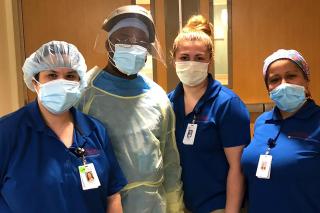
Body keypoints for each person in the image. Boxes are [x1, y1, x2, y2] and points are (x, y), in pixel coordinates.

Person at [78, 5, 184, 213]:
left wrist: (174, 206)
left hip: (153, 205)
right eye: (124, 38)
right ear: (109, 44)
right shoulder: (85, 93)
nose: (133, 45)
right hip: (102, 203)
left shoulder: (157, 97)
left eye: (141, 41)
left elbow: (170, 160)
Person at [0, 41, 127, 213]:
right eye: (52, 75)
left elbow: (112, 196)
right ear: (35, 82)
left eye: (70, 76)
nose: (61, 83)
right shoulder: (8, 132)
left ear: (79, 81)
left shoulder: (95, 131)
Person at [168, 15, 250, 213]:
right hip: (180, 205)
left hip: (219, 206)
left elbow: (237, 169)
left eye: (199, 58)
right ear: (174, 60)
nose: (191, 64)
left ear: (210, 61)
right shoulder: (168, 102)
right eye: (184, 58)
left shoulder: (227, 105)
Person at [241, 49, 320, 213]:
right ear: (268, 88)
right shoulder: (262, 122)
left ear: (306, 80)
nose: (283, 84)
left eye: (291, 76)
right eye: (275, 79)